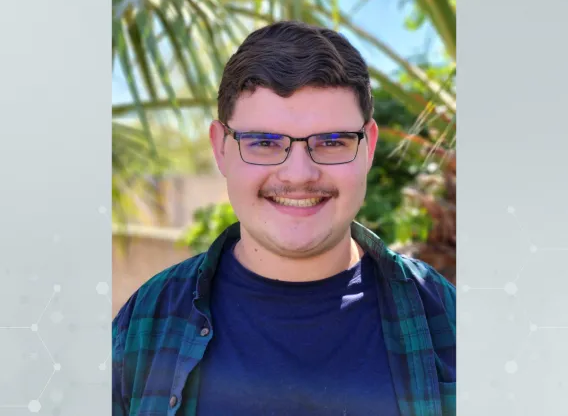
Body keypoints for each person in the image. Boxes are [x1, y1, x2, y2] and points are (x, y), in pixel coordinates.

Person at [112, 20, 456, 416]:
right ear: (221, 149)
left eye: (330, 142)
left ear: (369, 146)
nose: (298, 175)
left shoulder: (445, 318)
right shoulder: (146, 322)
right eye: (263, 143)